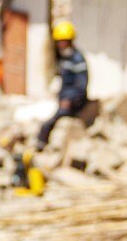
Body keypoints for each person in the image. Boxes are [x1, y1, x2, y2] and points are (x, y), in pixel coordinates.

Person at [36, 21, 90, 150]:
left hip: (74, 102)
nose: (61, 44)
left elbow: (81, 85)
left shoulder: (77, 59)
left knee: (47, 125)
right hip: (63, 98)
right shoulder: (64, 57)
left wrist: (69, 99)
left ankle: (42, 146)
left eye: (63, 41)